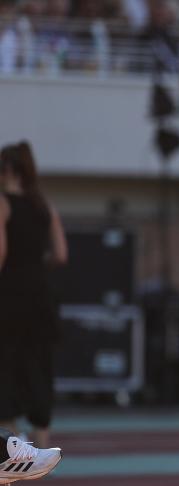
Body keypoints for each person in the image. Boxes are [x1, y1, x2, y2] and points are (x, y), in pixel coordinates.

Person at [0, 141, 67, 450]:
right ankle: (41, 443)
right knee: (40, 363)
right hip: (40, 292)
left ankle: (12, 438)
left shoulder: (3, 203)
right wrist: (36, 267)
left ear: (9, 170)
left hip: (10, 293)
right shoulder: (44, 205)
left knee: (6, 361)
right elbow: (61, 254)